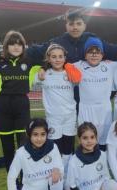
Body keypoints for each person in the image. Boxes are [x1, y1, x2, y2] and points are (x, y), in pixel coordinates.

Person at [0, 30, 36, 172]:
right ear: (7, 46)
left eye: (19, 44)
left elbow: (52, 61)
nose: (16, 47)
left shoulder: (29, 62)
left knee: (24, 148)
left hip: (22, 108)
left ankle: (25, 180)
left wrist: (67, 66)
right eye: (12, 44)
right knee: (8, 149)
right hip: (3, 109)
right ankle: (12, 182)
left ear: (24, 46)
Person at [7, 118, 64, 190]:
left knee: (57, 179)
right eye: (35, 134)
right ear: (29, 135)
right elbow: (11, 177)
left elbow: (60, 167)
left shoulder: (53, 147)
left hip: (48, 185)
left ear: (47, 134)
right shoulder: (21, 152)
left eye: (43, 134)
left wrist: (58, 170)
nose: (39, 138)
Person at [34, 44, 81, 173]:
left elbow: (81, 75)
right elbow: (30, 77)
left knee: (68, 149)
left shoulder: (70, 72)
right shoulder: (44, 74)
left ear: (65, 58)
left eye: (60, 56)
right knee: (55, 149)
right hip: (53, 118)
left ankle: (66, 178)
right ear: (48, 59)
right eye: (54, 57)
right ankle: (56, 176)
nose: (57, 59)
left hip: (70, 116)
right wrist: (40, 69)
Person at [75, 38, 117, 150]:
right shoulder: (78, 66)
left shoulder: (110, 66)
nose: (94, 55)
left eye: (97, 51)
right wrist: (44, 68)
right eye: (90, 51)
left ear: (102, 55)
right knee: (86, 141)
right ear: (85, 55)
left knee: (103, 142)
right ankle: (86, 164)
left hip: (104, 110)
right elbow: (59, 63)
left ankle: (102, 165)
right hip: (85, 109)